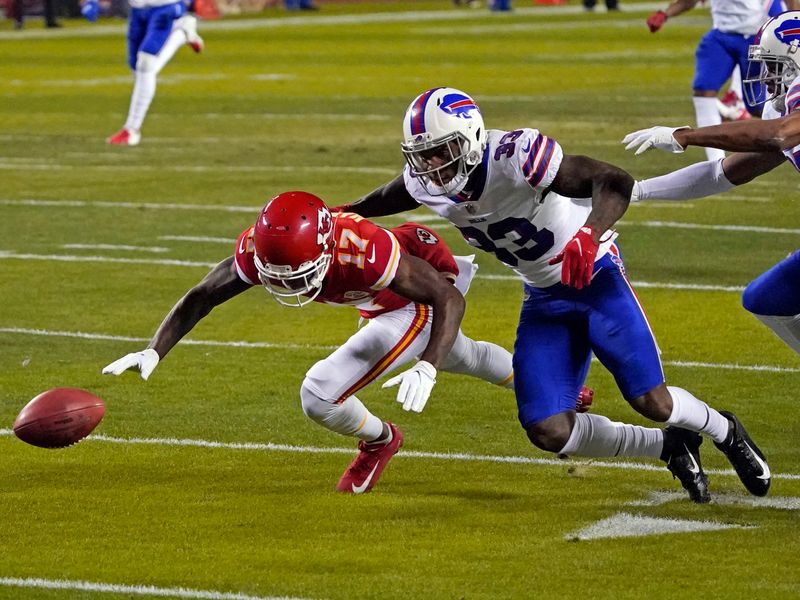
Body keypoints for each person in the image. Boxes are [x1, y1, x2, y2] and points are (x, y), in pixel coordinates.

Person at [334, 86, 772, 503]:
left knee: (652, 401)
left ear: (469, 139)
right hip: (543, 295)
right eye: (422, 156)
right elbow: (392, 195)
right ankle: (671, 447)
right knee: (548, 430)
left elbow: (614, 181)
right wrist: (342, 214)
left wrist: (589, 232)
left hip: (594, 276)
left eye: (440, 152)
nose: (432, 167)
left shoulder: (516, 155)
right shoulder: (426, 181)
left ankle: (724, 430)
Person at [102, 191, 548, 494]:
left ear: (325, 249)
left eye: (295, 275)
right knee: (462, 354)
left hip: (419, 292)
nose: (286, 285)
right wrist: (153, 349)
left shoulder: (362, 249)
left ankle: (380, 440)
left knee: (320, 393)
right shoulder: (263, 248)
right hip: (378, 301)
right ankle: (546, 388)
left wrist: (426, 365)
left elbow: (445, 297)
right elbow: (203, 295)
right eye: (277, 275)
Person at [623, 10, 800, 358]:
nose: (767, 79)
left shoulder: (789, 121)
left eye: (775, 65)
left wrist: (688, 136)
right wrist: (638, 190)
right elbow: (723, 174)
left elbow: (778, 134)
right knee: (766, 299)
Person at [645, 0, 773, 161]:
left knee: (757, 105)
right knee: (703, 90)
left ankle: (793, 133)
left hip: (756, 39)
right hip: (721, 36)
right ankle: (715, 161)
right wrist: (665, 14)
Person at [99, 0, 204, 146]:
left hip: (165, 8)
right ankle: (182, 33)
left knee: (145, 64)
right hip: (138, 10)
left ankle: (131, 129)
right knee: (137, 69)